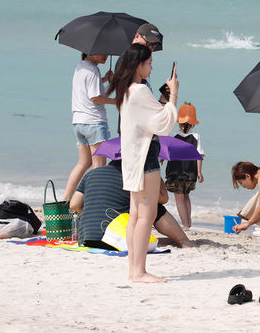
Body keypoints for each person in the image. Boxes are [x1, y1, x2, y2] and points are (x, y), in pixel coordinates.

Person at [106, 43, 178, 283]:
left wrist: (164, 100)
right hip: (145, 155)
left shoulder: (126, 90)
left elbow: (151, 117)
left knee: (136, 214)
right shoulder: (140, 92)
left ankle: (134, 269)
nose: (150, 67)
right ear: (139, 65)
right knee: (145, 215)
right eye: (149, 63)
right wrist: (174, 95)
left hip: (133, 156)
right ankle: (139, 271)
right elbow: (163, 124)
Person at [69, 160, 191, 249]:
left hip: (86, 238)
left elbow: (74, 204)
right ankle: (183, 241)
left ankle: (174, 240)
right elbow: (163, 199)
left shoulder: (91, 174)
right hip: (114, 239)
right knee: (150, 204)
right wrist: (155, 171)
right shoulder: (133, 177)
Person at [63, 53, 115, 201]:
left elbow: (89, 91)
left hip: (79, 122)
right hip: (94, 123)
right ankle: (94, 203)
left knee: (83, 163)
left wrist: (105, 79)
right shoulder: (93, 70)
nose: (106, 54)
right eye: (102, 51)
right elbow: (95, 97)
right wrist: (117, 101)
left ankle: (64, 201)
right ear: (90, 51)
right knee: (99, 168)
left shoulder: (81, 67)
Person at [165, 102, 204, 229]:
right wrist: (199, 172)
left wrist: (160, 161)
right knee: (186, 196)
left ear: (179, 122)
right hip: (191, 172)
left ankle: (185, 225)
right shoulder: (196, 136)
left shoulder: (173, 136)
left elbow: (166, 153)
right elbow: (200, 155)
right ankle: (189, 223)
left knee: (179, 198)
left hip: (174, 172)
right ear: (193, 122)